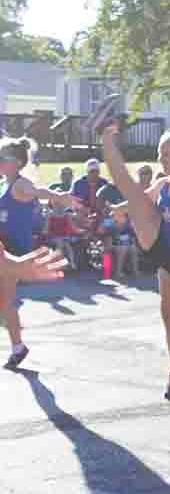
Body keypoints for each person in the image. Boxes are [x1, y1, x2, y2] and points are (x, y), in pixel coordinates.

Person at [102, 126, 170, 399]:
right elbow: (141, 199)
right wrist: (118, 209)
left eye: (167, 153)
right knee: (169, 319)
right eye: (160, 153)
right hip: (161, 250)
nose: (161, 158)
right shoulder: (162, 184)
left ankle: (108, 145)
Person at [0, 137, 81, 367]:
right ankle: (18, 347)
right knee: (5, 304)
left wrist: (59, 197)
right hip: (5, 247)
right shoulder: (4, 183)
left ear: (15, 163)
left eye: (1, 157)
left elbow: (38, 191)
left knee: (4, 304)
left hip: (14, 250)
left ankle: (17, 346)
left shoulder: (19, 185)